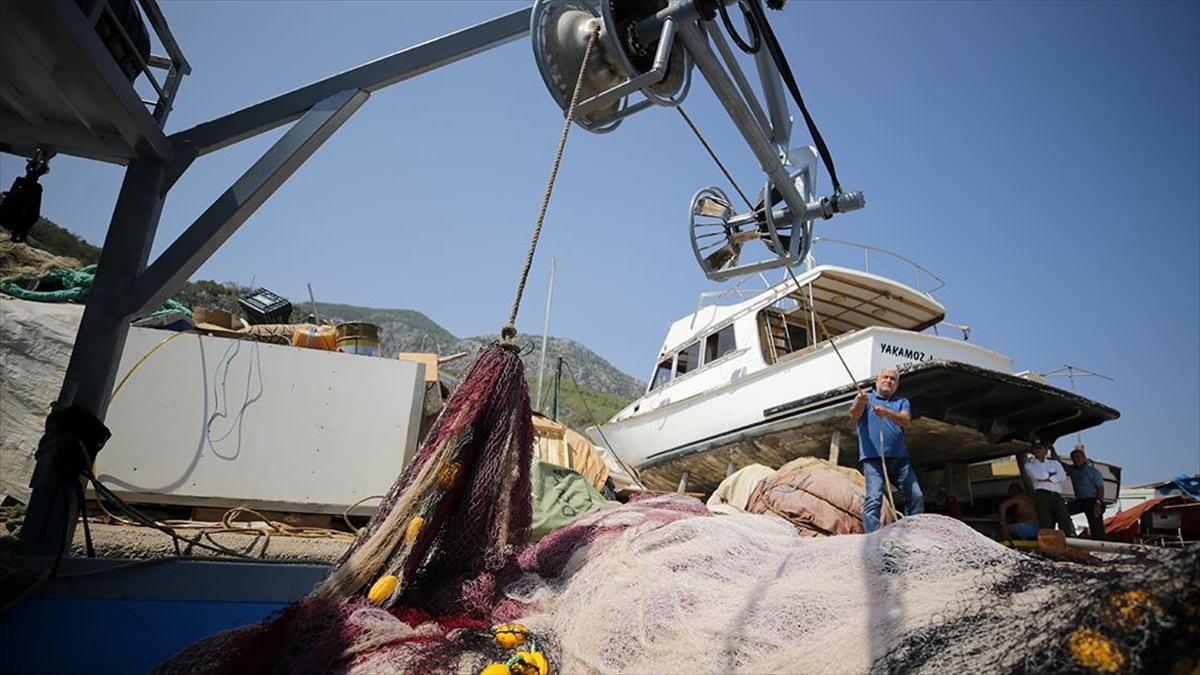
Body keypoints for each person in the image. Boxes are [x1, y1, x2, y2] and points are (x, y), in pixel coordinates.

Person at [850, 368, 923, 533]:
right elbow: (854, 414)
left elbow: (904, 420)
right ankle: (873, 538)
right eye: (885, 377)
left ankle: (913, 532)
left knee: (916, 495)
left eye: (892, 379)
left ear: (896, 385)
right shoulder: (867, 398)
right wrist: (860, 403)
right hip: (873, 458)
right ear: (877, 381)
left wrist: (886, 413)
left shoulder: (902, 401)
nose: (888, 381)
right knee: (874, 499)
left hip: (900, 459)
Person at [1022, 439, 1075, 537]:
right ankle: (1049, 544)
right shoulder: (1029, 465)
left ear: (1045, 450)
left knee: (1064, 518)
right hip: (1042, 494)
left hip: (1056, 495)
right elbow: (1037, 476)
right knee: (1045, 520)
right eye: (1035, 448)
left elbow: (1062, 475)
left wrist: (1048, 477)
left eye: (1040, 448)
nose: (1037, 450)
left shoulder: (1054, 463)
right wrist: (1052, 476)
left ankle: (1067, 541)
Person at [1059, 446, 1106, 540]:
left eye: (1078, 457)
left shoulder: (1093, 472)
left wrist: (1098, 503)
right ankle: (1068, 535)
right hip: (1080, 501)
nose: (1076, 460)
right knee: (1062, 511)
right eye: (1074, 458)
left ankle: (1100, 544)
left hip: (1093, 501)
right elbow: (1059, 463)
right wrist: (1051, 449)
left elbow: (1100, 488)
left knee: (1096, 526)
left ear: (1084, 458)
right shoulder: (1072, 470)